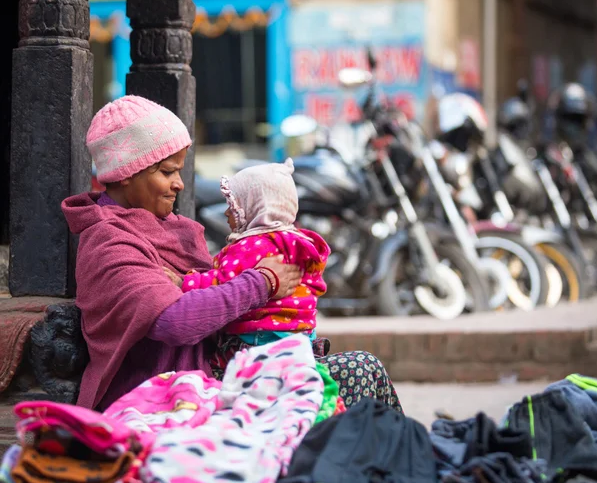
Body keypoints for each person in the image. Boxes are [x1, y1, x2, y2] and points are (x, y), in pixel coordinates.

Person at [62, 95, 403, 413]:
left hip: (223, 375)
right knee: (359, 371)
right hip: (167, 397)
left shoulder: (174, 229)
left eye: (179, 170)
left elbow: (210, 289)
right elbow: (175, 322)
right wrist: (263, 282)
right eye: (167, 172)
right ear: (125, 175)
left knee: (363, 370)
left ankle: (396, 468)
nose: (179, 183)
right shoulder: (109, 242)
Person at [181, 158, 330, 378]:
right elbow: (317, 287)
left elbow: (221, 283)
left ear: (256, 207)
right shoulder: (299, 243)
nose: (227, 214)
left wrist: (184, 281)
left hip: (258, 343)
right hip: (301, 341)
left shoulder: (251, 246)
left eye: (233, 207)